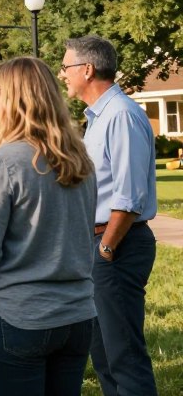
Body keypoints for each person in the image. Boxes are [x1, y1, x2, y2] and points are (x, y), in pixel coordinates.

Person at [0, 57, 97, 396]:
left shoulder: (1, 161)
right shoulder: (81, 161)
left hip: (19, 316)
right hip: (76, 315)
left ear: (9, 99)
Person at [59, 35, 158, 395]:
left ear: (87, 69)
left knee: (124, 356)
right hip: (101, 243)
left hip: (118, 245)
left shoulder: (121, 116)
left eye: (66, 66)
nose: (61, 74)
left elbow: (129, 197)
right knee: (103, 355)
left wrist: (106, 249)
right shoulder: (99, 117)